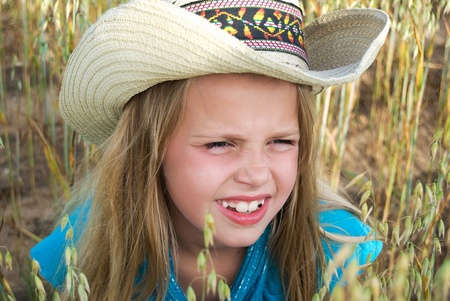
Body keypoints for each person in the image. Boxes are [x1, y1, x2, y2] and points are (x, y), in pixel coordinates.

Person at [30, 0, 390, 300]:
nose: (257, 174)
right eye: (220, 144)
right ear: (148, 148)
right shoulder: (88, 244)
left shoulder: (335, 251)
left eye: (280, 142)